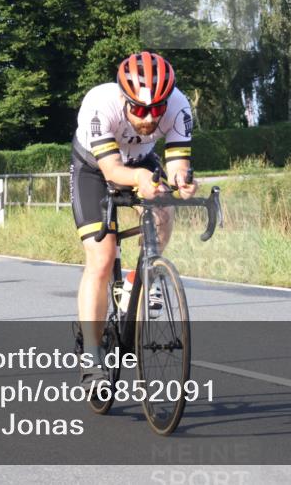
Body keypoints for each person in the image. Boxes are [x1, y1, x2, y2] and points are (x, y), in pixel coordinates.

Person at [70, 51, 198, 387]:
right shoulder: (99, 104)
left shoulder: (180, 107)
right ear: (124, 99)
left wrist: (182, 181)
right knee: (101, 255)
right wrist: (140, 179)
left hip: (142, 159)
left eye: (156, 109)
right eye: (140, 109)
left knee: (164, 210)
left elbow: (175, 164)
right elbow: (112, 170)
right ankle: (92, 355)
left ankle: (137, 281)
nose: (148, 118)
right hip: (93, 168)